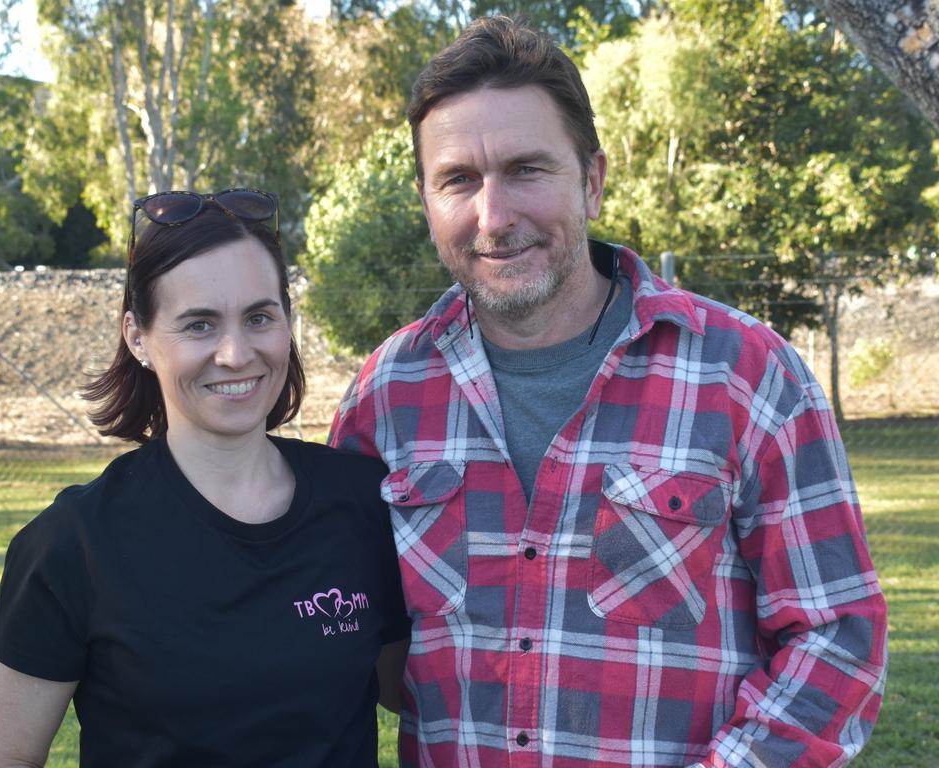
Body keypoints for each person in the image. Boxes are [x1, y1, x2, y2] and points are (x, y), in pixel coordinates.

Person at [330, 16, 887, 768]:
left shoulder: (746, 375)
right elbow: (351, 638)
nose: (495, 217)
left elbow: (838, 638)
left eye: (527, 169)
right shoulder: (385, 395)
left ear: (591, 180)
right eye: (459, 179)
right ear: (427, 200)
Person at [0, 189, 410, 767]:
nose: (235, 352)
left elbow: (408, 691)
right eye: (199, 325)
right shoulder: (74, 544)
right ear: (137, 336)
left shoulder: (360, 504)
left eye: (259, 317)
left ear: (287, 322)